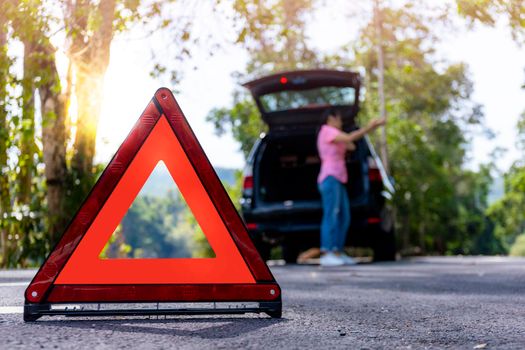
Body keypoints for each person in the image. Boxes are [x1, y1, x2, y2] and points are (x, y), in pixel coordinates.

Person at [317, 108, 386, 266]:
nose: (341, 122)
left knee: (344, 216)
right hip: (329, 177)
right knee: (331, 215)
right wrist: (370, 127)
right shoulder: (326, 131)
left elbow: (352, 146)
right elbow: (349, 139)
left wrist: (348, 137)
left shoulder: (334, 135)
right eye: (339, 119)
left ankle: (337, 251)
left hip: (339, 179)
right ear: (330, 119)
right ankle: (327, 252)